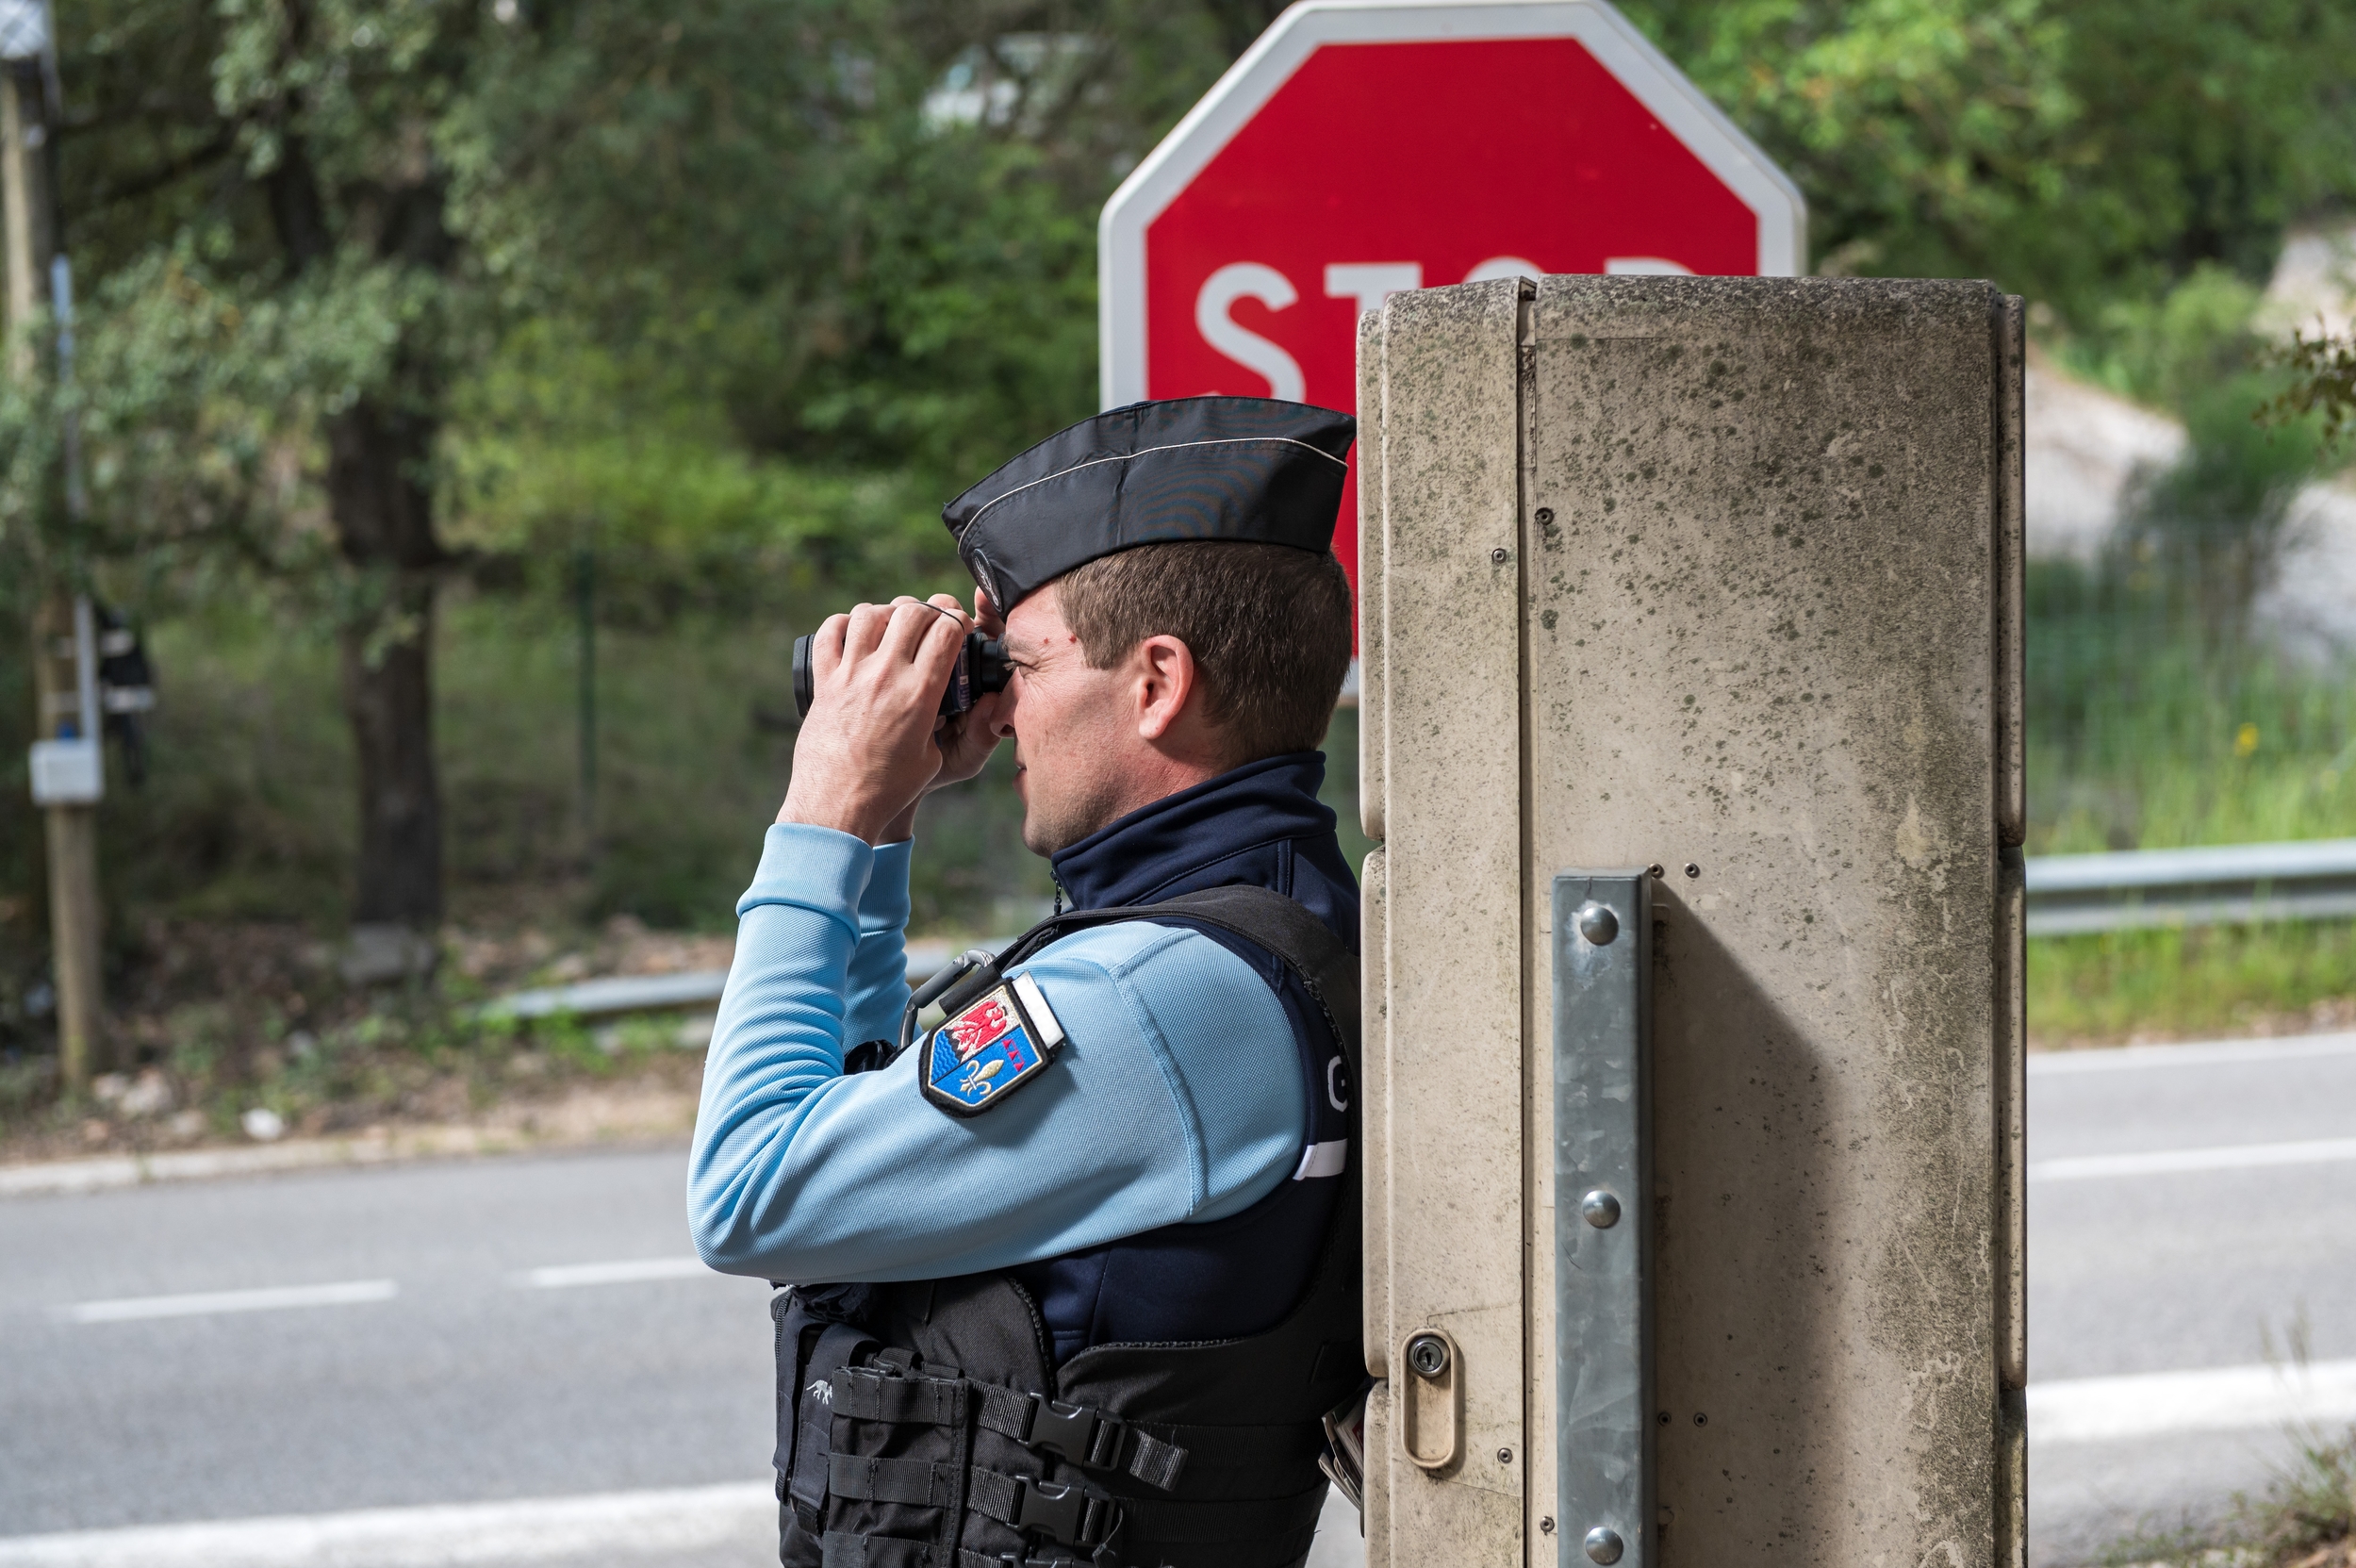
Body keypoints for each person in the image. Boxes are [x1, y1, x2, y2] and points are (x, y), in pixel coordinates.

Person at [689, 395, 1364, 1568]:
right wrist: (889, 818)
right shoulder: (1269, 925)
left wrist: (825, 805)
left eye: (1024, 662)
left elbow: (754, 1191)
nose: (999, 707)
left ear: (1156, 682)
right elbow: (859, 1196)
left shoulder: (1153, 1001)